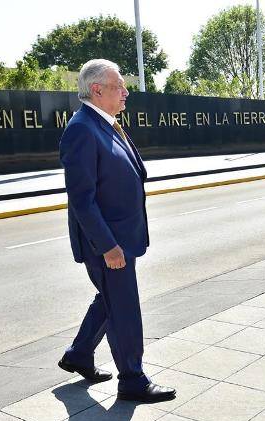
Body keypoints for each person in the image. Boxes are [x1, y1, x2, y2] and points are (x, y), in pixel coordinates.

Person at [58, 59, 175, 402]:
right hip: (107, 244)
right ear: (96, 90)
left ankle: (79, 354)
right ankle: (132, 380)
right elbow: (82, 200)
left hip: (121, 237)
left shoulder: (104, 123)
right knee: (123, 308)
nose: (126, 92)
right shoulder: (82, 129)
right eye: (118, 86)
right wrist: (108, 246)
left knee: (110, 299)